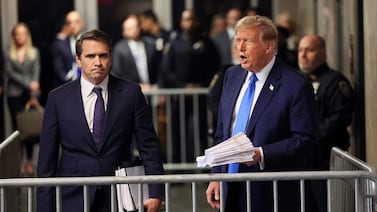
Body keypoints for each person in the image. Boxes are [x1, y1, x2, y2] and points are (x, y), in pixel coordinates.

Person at [37, 29, 164, 212]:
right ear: (78, 59)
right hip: (73, 196)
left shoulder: (131, 94)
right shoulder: (58, 98)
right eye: (90, 56)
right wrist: (44, 207)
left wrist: (155, 192)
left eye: (103, 55)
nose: (97, 62)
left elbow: (149, 145)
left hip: (120, 194)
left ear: (110, 57)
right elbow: (46, 161)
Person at [205, 15, 319, 212]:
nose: (239, 47)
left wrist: (262, 154)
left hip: (271, 193)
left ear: (268, 47)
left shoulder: (295, 85)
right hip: (230, 188)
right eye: (237, 40)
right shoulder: (231, 76)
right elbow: (223, 132)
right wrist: (216, 176)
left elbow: (305, 140)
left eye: (247, 41)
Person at [298, 34, 354, 212]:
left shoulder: (335, 82)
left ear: (323, 53)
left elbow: (340, 117)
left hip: (327, 160)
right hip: (304, 161)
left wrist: (310, 136)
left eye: (310, 50)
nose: (303, 55)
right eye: (300, 50)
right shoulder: (299, 82)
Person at [160, 9, 221, 162]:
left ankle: (207, 164)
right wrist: (182, 86)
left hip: (201, 94)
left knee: (204, 131)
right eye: (186, 20)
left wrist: (201, 86)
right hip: (180, 95)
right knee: (177, 131)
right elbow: (167, 70)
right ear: (181, 22)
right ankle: (176, 165)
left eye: (192, 19)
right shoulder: (175, 43)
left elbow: (215, 68)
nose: (190, 23)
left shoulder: (207, 43)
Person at [3, 23, 41, 176]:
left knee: (29, 128)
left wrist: (34, 90)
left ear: (27, 35)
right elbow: (9, 72)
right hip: (14, 95)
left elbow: (36, 72)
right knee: (17, 130)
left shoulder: (34, 52)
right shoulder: (8, 53)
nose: (20, 36)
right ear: (14, 36)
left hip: (29, 95)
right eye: (17, 34)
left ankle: (30, 161)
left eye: (23, 33)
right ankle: (18, 162)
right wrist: (28, 83)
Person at [111, 14, 158, 91]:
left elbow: (158, 67)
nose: (134, 30)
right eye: (129, 28)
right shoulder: (119, 49)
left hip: (151, 89)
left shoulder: (150, 44)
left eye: (135, 27)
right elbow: (116, 73)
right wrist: (136, 86)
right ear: (124, 32)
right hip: (130, 90)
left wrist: (158, 85)